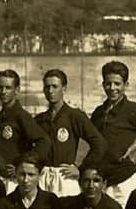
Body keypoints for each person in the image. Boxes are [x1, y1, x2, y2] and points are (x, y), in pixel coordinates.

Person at [91, 61, 136, 209]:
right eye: (108, 84)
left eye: (117, 84)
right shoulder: (99, 112)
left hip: (125, 178)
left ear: (126, 84)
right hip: (104, 178)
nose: (112, 88)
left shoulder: (133, 110)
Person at [34, 69, 106, 197]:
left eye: (55, 86)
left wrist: (81, 168)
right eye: (47, 87)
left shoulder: (74, 116)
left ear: (64, 89)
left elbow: (99, 144)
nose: (50, 91)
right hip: (43, 176)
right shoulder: (39, 120)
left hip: (65, 177)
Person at [0, 70, 51, 193]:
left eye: (8, 88)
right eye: (0, 88)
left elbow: (44, 141)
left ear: (17, 90)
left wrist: (23, 163)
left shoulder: (21, 115)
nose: (3, 92)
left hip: (13, 180)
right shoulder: (0, 116)